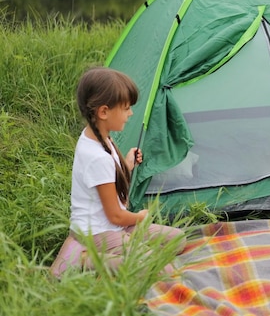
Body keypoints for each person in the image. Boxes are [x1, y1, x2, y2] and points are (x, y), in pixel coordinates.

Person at [51, 67, 186, 277]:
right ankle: (84, 260)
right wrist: (141, 217)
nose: (130, 113)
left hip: (114, 227)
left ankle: (122, 252)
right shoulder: (97, 157)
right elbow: (115, 215)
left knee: (178, 240)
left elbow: (109, 177)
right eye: (125, 108)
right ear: (103, 112)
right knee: (164, 271)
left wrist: (128, 164)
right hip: (98, 233)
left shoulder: (99, 135)